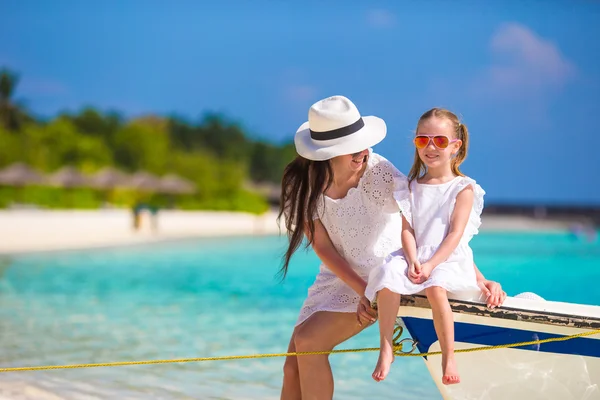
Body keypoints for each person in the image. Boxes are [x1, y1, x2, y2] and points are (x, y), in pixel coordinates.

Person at [278, 96, 505, 400]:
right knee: (292, 366)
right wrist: (360, 288)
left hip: (384, 276)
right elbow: (322, 247)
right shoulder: (301, 184)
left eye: (362, 142)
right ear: (326, 154)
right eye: (352, 147)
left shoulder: (377, 171)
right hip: (339, 276)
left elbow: (426, 227)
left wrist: (479, 278)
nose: (363, 152)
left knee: (308, 343)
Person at [365, 107, 486, 385]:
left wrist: (431, 264)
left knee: (435, 286)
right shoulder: (410, 186)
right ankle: (385, 347)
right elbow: (407, 230)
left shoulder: (463, 188)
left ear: (455, 147)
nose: (430, 147)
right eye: (423, 140)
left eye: (440, 141)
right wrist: (411, 259)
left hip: (447, 256)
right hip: (415, 254)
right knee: (387, 277)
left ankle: (448, 355)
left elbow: (455, 235)